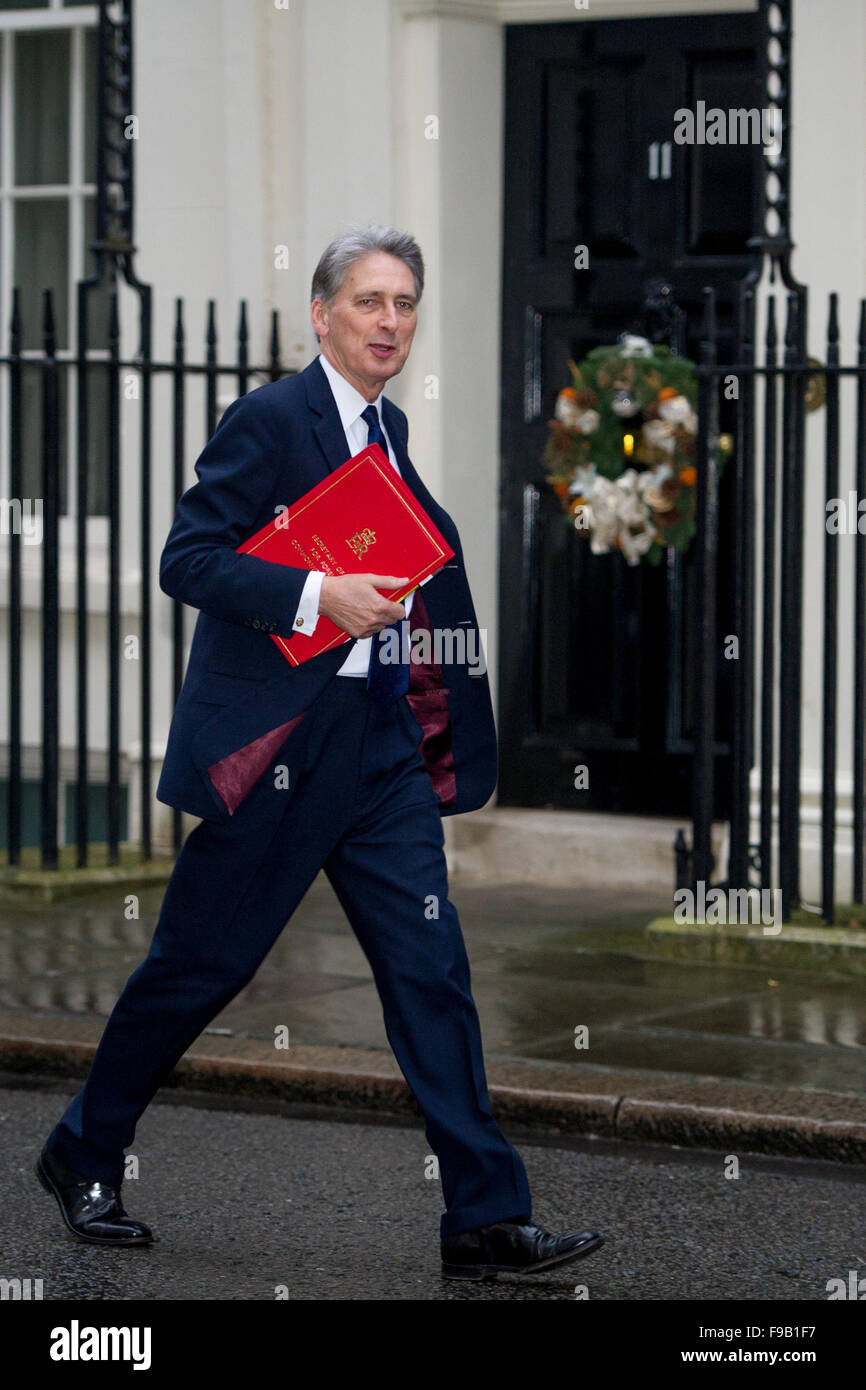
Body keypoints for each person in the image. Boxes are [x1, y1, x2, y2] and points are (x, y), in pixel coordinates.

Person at [37, 225, 603, 1281]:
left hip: (381, 745)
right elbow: (188, 558)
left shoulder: (385, 434)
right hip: (284, 749)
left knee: (430, 972)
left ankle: (482, 1214)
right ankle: (84, 1150)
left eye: (403, 304)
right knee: (198, 965)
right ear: (322, 313)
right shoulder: (271, 419)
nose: (390, 322)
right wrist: (313, 594)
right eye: (369, 302)